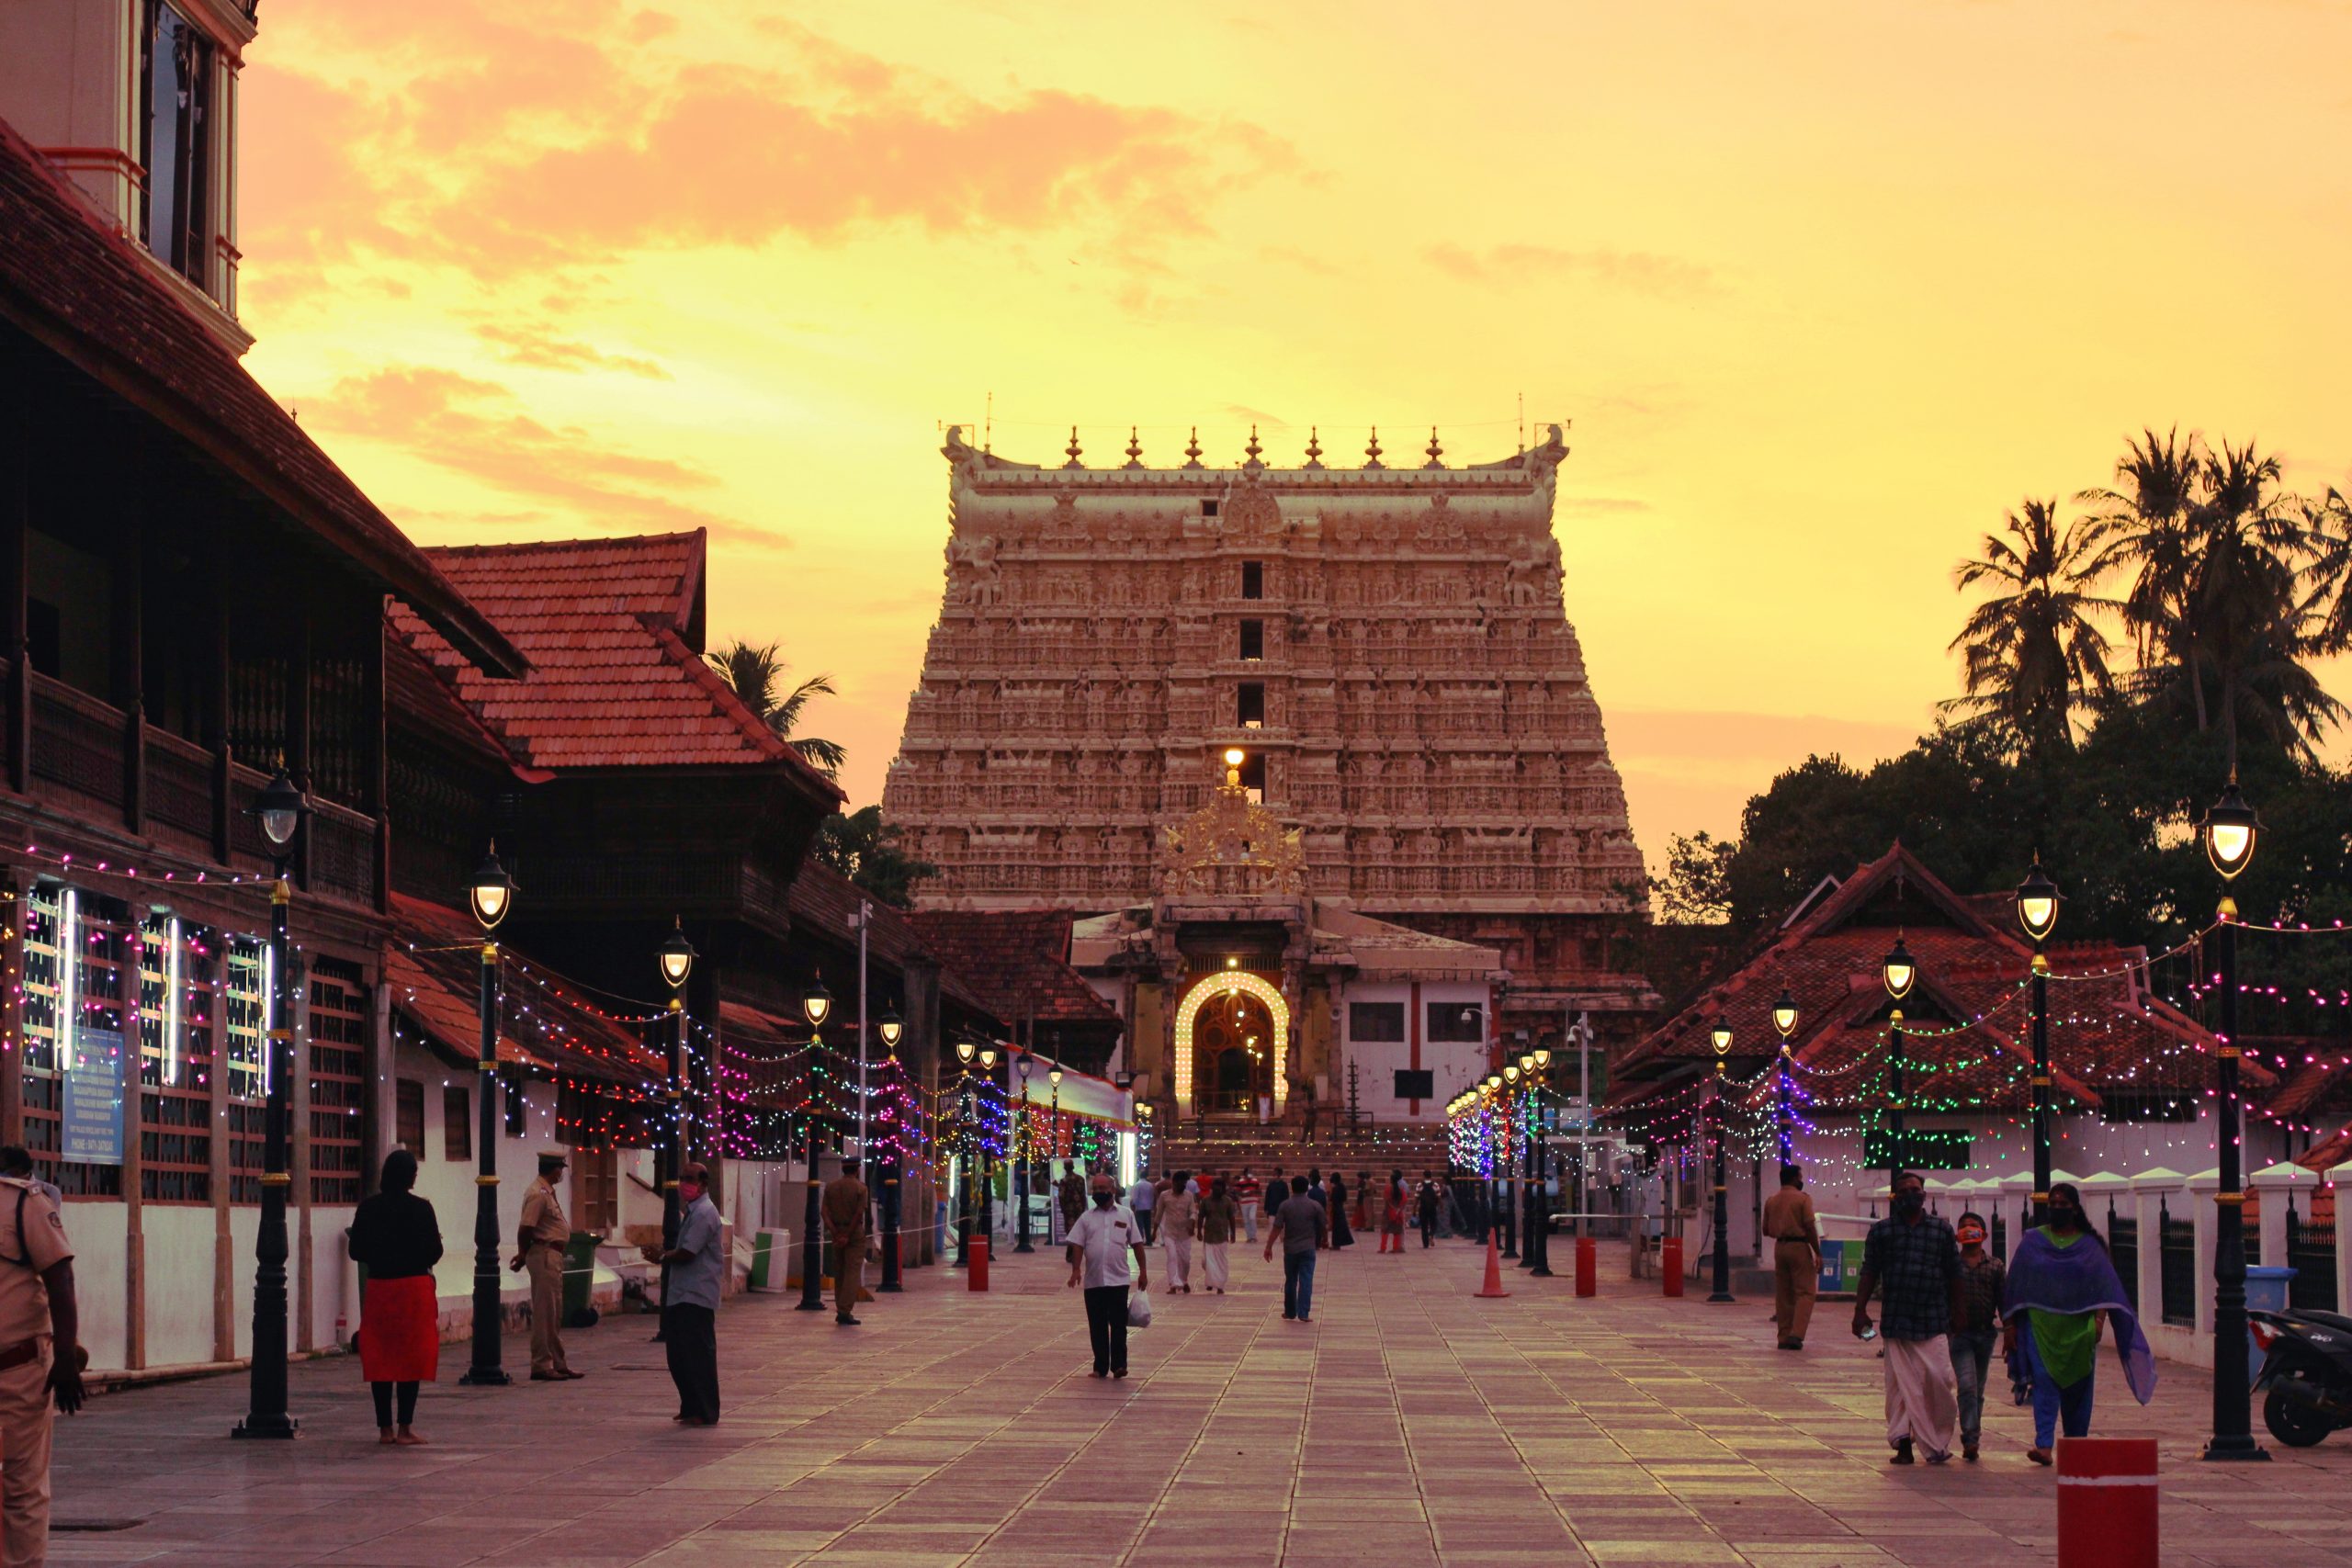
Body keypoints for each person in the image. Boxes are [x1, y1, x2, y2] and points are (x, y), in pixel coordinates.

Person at [2002, 1181, 2156, 1466]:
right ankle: (2044, 1445)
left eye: (2063, 1204)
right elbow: (2015, 1285)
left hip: (2079, 1328)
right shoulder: (2033, 1241)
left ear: (2075, 1208)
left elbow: (2104, 1287)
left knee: (2079, 1386)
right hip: (2042, 1325)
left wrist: (2099, 1321)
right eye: (2053, 1204)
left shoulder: (2089, 1245)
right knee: (2045, 1382)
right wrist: (2010, 1327)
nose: (2057, 1209)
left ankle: (2076, 1444)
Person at [0, 1145, 80, 1567]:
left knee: (22, 1489)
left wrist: (65, 1356)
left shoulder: (24, 1204)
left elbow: (60, 1278)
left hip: (17, 1372)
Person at [1853, 1170, 1965, 1464]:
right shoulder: (1882, 1231)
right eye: (1902, 1191)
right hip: (1897, 1320)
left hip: (1934, 1318)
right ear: (1895, 1197)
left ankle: (1936, 1442)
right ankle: (1903, 1445)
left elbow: (1955, 1273)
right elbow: (1869, 1272)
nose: (1909, 1195)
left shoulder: (1941, 1231)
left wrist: (1959, 1311)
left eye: (1914, 1189)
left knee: (1941, 1382)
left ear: (1924, 1194)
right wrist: (1859, 1310)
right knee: (1901, 1388)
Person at [348, 1149, 442, 1445]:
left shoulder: (368, 1208)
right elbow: (435, 1252)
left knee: (381, 1358)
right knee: (409, 1358)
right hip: (413, 1289)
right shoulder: (422, 1209)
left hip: (380, 1288)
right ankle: (405, 1428)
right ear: (410, 1176)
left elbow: (356, 1251)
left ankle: (384, 1429)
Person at [644, 1161, 723, 1426]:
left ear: (702, 1183)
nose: (684, 1184)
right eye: (682, 1178)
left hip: (696, 1294)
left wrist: (663, 1255)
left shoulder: (704, 1213)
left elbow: (689, 1252)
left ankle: (704, 1409)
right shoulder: (692, 1211)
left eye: (689, 1179)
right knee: (679, 1355)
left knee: (697, 1355)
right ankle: (690, 1406)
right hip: (682, 1293)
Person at [1066, 1171, 1148, 1378]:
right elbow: (1077, 1244)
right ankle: (1100, 1367)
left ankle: (1119, 1365)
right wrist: (1076, 1270)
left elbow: (1137, 1244)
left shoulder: (1125, 1214)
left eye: (1103, 1188)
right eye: (1096, 1189)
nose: (1099, 1192)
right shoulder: (1086, 1218)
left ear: (1112, 1190)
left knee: (1119, 1325)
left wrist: (1143, 1272)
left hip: (1118, 1279)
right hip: (1094, 1281)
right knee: (1097, 1325)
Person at [510, 1149, 581, 1381]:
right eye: (561, 1168)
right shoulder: (539, 1194)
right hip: (544, 1254)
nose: (561, 1173)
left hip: (552, 1255)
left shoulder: (547, 1192)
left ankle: (558, 1362)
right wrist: (522, 1253)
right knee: (545, 1312)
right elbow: (526, 1227)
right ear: (555, 1169)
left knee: (554, 1311)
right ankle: (542, 1363)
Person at [1950, 1212, 2005, 1462]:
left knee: (1978, 1389)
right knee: (1967, 1385)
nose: (1968, 1230)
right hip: (1959, 1336)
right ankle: (1970, 1437)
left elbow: (2003, 1300)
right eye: (1963, 1227)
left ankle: (1974, 1435)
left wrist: (2011, 1331)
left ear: (1983, 1234)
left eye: (1973, 1226)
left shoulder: (1995, 1266)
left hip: (1985, 1334)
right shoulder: (1950, 1265)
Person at [1762, 1166, 1821, 1350]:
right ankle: (1797, 1334)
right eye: (1800, 1176)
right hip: (1799, 1245)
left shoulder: (1771, 1200)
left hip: (1780, 1247)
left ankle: (1783, 1336)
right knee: (1805, 1292)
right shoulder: (1803, 1199)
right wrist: (1817, 1251)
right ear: (1795, 1179)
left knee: (1784, 1293)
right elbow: (1810, 1227)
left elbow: (1765, 1230)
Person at [1264, 1175, 1329, 1321]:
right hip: (1308, 1247)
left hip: (1291, 1248)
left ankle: (1290, 1311)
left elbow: (1277, 1227)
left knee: (1291, 1280)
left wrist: (1269, 1247)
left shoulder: (1285, 1205)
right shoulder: (1314, 1205)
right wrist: (1325, 1240)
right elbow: (1323, 1225)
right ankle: (1304, 1312)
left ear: (1292, 1188)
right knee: (1306, 1279)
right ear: (1307, 1188)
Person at [822, 1155, 870, 1326]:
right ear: (857, 1170)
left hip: (836, 1230)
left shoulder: (831, 1187)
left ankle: (839, 1306)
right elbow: (859, 1215)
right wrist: (847, 1235)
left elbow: (824, 1212)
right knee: (852, 1272)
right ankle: (844, 1310)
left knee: (840, 1271)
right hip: (854, 1234)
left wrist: (836, 1233)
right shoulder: (861, 1189)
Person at [1198, 1175, 1242, 1294]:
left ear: (1223, 1189)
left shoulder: (1227, 1201)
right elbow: (1201, 1216)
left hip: (1222, 1236)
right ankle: (1212, 1281)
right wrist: (1198, 1231)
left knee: (1221, 1262)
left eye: (1219, 1188)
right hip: (1209, 1236)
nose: (1217, 1190)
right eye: (1215, 1188)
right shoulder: (1206, 1201)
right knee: (1206, 1261)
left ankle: (1219, 1285)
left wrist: (1233, 1233)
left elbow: (1231, 1218)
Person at [1158, 1170, 1196, 1293]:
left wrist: (1191, 1223)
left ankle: (1184, 1281)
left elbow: (1193, 1212)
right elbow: (1159, 1213)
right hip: (1169, 1233)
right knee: (1172, 1257)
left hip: (1184, 1234)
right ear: (1174, 1183)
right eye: (1181, 1183)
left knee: (1185, 1260)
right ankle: (1173, 1284)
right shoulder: (1164, 1195)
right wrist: (1154, 1232)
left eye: (1185, 1183)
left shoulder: (1189, 1195)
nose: (1183, 1186)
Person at [1380, 1171, 1407, 1254]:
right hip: (1398, 1213)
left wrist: (1392, 1208)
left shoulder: (1387, 1189)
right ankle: (1395, 1248)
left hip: (1388, 1212)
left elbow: (1386, 1200)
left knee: (1385, 1231)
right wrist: (1398, 1209)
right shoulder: (1401, 1190)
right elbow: (1404, 1200)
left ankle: (1383, 1248)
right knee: (1397, 1231)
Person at [1328, 1171, 1354, 1248]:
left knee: (1337, 1228)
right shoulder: (1342, 1186)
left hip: (1336, 1209)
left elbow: (1332, 1199)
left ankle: (1336, 1244)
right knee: (1339, 1227)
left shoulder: (1336, 1188)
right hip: (1340, 1208)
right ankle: (1337, 1243)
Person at [1127, 1173, 1158, 1244]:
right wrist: (1151, 1205)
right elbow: (1152, 1196)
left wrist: (1133, 1205)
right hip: (1148, 1207)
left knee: (1140, 1225)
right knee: (1148, 1224)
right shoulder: (1150, 1185)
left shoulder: (1137, 1185)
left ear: (1139, 1176)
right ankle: (1149, 1240)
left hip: (1139, 1207)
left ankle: (1140, 1239)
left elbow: (1135, 1197)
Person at [1235, 1168, 1262, 1243]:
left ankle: (1253, 1236)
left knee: (1252, 1217)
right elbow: (1237, 1191)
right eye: (1249, 1172)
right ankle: (1249, 1237)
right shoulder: (1241, 1181)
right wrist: (1244, 1194)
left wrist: (1254, 1193)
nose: (1250, 1174)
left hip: (1253, 1201)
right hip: (1244, 1203)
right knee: (1246, 1220)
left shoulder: (1255, 1181)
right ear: (1245, 1174)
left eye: (1251, 1172)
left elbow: (1259, 1190)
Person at [1058, 1168, 1088, 1237]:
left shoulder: (1064, 1181)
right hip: (1079, 1207)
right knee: (1079, 1227)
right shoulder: (1081, 1179)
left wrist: (1062, 1208)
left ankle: (1071, 1245)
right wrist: (1083, 1207)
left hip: (1068, 1209)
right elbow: (1083, 1195)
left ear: (1065, 1168)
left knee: (1070, 1228)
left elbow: (1061, 1196)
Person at [1416, 1172, 1442, 1248]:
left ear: (1423, 1176)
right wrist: (1441, 1206)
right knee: (1433, 1223)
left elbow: (1417, 1197)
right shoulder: (1435, 1185)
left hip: (1423, 1207)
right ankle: (1431, 1234)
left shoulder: (1420, 1185)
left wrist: (1414, 1208)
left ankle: (1425, 1243)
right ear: (1431, 1176)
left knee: (1424, 1226)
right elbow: (1439, 1196)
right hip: (1432, 1207)